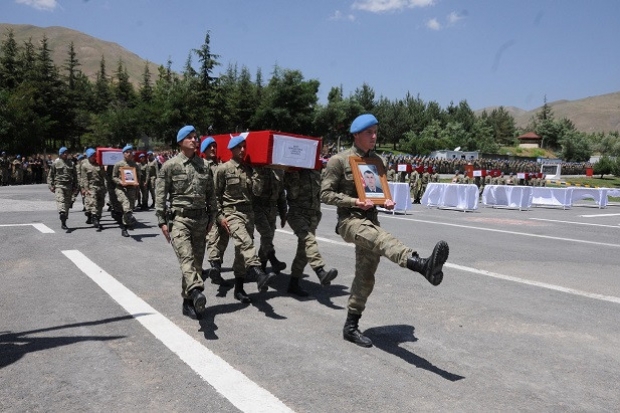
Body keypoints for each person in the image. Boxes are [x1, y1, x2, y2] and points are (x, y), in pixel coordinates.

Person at [321, 114, 450, 348]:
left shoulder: (376, 161)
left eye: (376, 132)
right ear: (356, 134)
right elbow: (325, 194)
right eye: (369, 132)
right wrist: (354, 201)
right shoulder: (338, 161)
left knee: (366, 276)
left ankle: (350, 326)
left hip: (371, 221)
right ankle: (420, 264)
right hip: (350, 221)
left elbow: (376, 192)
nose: (374, 136)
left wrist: (384, 201)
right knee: (382, 240)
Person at [155, 125, 216, 320]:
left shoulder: (205, 166)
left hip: (201, 219)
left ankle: (188, 301)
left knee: (196, 264)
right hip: (180, 219)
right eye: (189, 137)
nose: (194, 140)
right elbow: (160, 194)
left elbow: (210, 194)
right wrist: (161, 221)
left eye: (195, 137)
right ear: (181, 142)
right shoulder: (170, 166)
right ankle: (197, 290)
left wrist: (212, 217)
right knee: (186, 258)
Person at [213, 135, 275, 304]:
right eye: (239, 147)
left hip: (248, 214)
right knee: (246, 243)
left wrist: (258, 174)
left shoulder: (249, 169)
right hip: (232, 214)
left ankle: (239, 289)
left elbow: (256, 192)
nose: (242, 150)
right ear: (231, 149)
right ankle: (257, 272)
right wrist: (220, 216)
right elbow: (215, 196)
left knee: (241, 254)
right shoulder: (223, 169)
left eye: (244, 147)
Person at [283, 167, 338, 296]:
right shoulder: (292, 171)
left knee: (303, 252)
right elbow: (292, 194)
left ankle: (293, 284)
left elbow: (323, 194)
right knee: (309, 241)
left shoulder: (316, 172)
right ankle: (320, 271)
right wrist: (295, 174)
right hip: (297, 215)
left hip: (312, 216)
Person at [200, 137, 231, 286]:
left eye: (214, 146)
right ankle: (214, 266)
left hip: (223, 206)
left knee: (224, 237)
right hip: (207, 208)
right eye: (210, 147)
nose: (213, 149)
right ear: (204, 150)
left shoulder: (221, 165)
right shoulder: (202, 166)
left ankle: (216, 267)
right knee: (212, 238)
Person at [252, 166, 288, 274]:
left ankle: (261, 268)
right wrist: (260, 172)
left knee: (268, 238)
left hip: (272, 209)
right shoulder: (255, 169)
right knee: (266, 234)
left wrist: (283, 213)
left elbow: (281, 194)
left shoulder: (279, 170)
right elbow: (256, 192)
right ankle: (273, 260)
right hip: (257, 208)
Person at [112, 145, 141, 237]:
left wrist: (137, 183)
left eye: (130, 152)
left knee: (129, 208)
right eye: (127, 152)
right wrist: (120, 182)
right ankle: (124, 228)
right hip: (121, 188)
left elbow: (138, 177)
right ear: (123, 154)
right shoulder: (118, 164)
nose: (129, 154)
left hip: (131, 189)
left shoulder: (134, 165)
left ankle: (126, 224)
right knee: (126, 204)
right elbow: (114, 177)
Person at [47, 147, 78, 230]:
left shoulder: (71, 163)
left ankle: (63, 221)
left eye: (67, 152)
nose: (66, 154)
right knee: (61, 200)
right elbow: (50, 176)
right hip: (59, 186)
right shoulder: (55, 163)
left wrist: (75, 186)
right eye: (64, 153)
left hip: (69, 186)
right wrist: (51, 186)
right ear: (60, 154)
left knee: (67, 204)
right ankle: (61, 212)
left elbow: (75, 176)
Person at [80, 148, 106, 230]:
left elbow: (103, 176)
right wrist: (85, 188)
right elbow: (84, 178)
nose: (93, 157)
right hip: (91, 187)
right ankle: (95, 219)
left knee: (101, 204)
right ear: (88, 156)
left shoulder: (99, 164)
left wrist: (103, 168)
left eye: (94, 155)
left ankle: (97, 217)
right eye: (91, 156)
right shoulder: (84, 165)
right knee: (93, 202)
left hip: (100, 186)